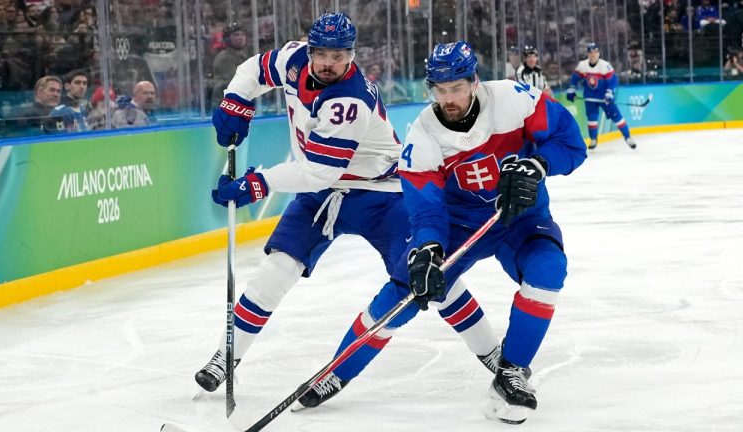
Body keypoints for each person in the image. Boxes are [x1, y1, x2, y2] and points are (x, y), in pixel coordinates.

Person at [194, 13, 502, 396]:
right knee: (276, 270)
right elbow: (253, 69)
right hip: (322, 194)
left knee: (427, 278)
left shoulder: (350, 100)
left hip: (382, 194)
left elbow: (319, 171)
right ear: (308, 49)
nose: (327, 62)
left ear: (351, 56)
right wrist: (236, 102)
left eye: (338, 55)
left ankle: (494, 354)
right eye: (320, 53)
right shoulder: (293, 59)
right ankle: (228, 356)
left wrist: (258, 184)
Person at [291, 41, 587, 425]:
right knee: (406, 290)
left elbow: (572, 145)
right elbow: (426, 207)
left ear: (474, 82)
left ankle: (512, 371)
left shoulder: (517, 100)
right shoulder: (422, 138)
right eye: (439, 90)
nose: (448, 99)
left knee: (549, 269)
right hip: (459, 224)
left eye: (457, 88)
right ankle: (337, 371)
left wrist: (538, 164)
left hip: (521, 216)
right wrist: (429, 247)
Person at [566, 42, 636, 150]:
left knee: (617, 116)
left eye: (595, 52)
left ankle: (628, 137)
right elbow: (575, 78)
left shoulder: (605, 65)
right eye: (591, 52)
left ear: (599, 53)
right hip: (590, 98)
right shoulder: (582, 65)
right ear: (588, 54)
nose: (593, 54)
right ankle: (593, 139)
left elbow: (613, 81)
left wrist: (609, 93)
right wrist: (571, 88)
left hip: (604, 98)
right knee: (592, 119)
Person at [210, 24, 250, 107]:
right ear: (227, 39)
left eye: (242, 35)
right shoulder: (224, 57)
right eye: (236, 35)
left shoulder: (244, 56)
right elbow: (237, 81)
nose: (240, 37)